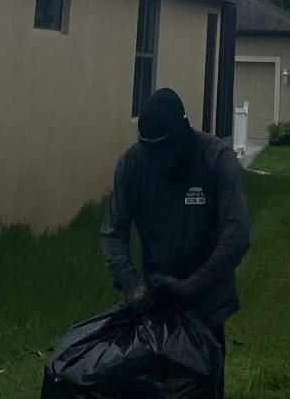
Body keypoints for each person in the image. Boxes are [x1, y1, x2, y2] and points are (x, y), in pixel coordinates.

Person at [99, 87, 251, 398]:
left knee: (201, 390)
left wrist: (192, 286)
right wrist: (132, 284)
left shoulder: (216, 160)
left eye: (164, 149)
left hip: (207, 307)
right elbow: (112, 232)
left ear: (183, 132)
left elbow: (237, 237)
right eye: (148, 149)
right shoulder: (132, 165)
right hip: (156, 306)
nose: (156, 160)